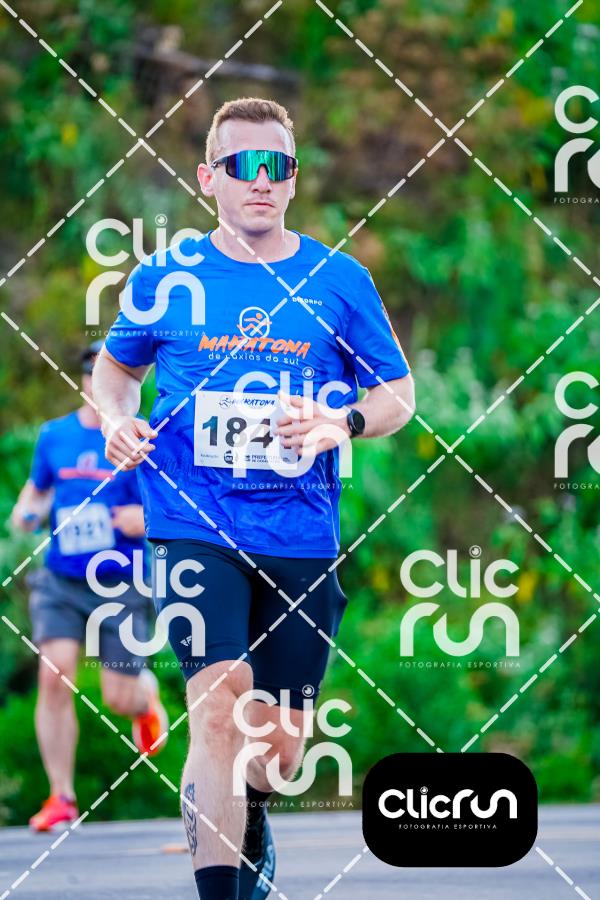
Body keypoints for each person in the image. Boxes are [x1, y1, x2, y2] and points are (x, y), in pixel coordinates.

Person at [92, 97, 415, 899]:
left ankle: (253, 808)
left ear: (294, 179)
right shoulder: (166, 277)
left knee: (278, 750)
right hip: (191, 520)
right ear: (209, 179)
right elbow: (115, 370)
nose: (261, 180)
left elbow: (399, 395)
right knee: (215, 709)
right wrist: (119, 421)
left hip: (299, 531)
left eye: (278, 166)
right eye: (243, 165)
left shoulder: (340, 280)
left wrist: (342, 421)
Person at [12, 341, 168, 833]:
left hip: (118, 581)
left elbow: (166, 506)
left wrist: (141, 519)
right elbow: (39, 490)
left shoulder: (142, 435)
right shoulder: (54, 435)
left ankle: (146, 698)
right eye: (96, 376)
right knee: (54, 673)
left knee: (120, 698)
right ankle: (61, 796)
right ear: (86, 382)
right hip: (61, 578)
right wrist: (26, 511)